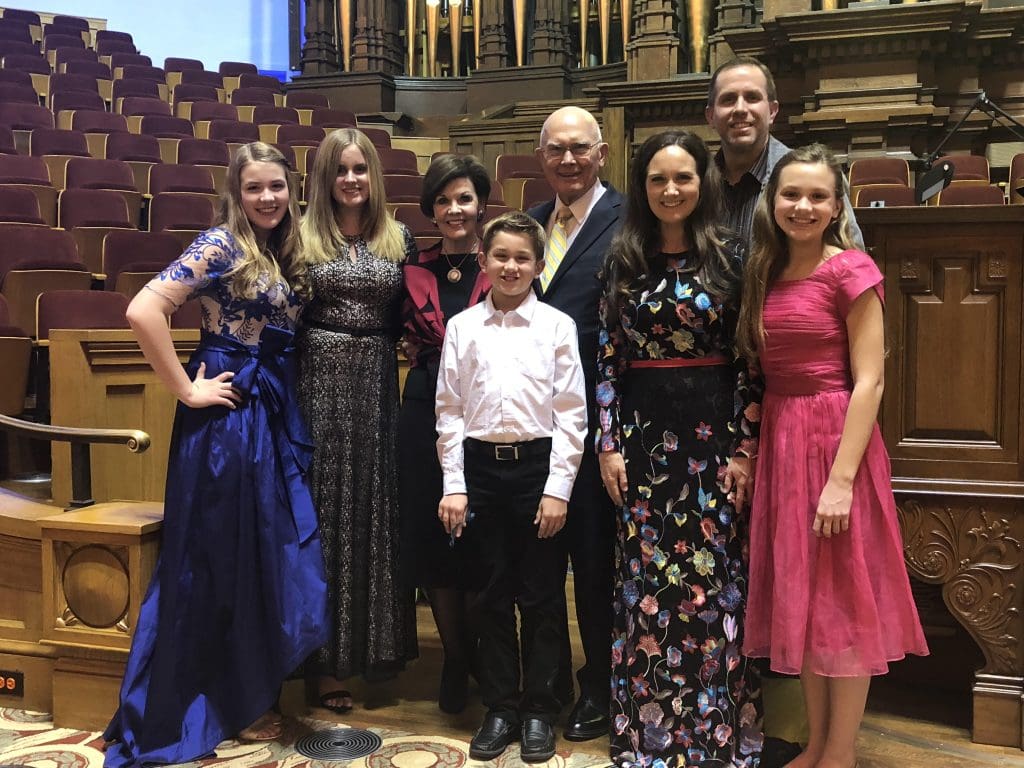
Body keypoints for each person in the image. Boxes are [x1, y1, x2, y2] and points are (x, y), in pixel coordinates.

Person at [104, 142, 328, 767]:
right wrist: (186, 389)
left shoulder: (284, 248)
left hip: (269, 408)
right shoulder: (221, 244)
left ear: (292, 190)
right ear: (236, 192)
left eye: (277, 186)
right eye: (254, 187)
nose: (267, 197)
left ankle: (248, 691)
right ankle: (218, 696)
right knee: (219, 552)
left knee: (260, 548)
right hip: (228, 419)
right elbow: (143, 309)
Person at [737, 143, 928, 768]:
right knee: (805, 600)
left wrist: (842, 481)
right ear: (772, 201)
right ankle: (817, 742)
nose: (803, 206)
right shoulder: (764, 269)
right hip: (783, 441)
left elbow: (870, 380)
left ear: (838, 205)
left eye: (818, 196)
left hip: (835, 442)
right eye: (791, 194)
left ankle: (841, 752)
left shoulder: (851, 270)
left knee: (842, 602)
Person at [596, 130, 764, 767]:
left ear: (704, 182)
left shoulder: (733, 257)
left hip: (713, 444)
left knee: (715, 586)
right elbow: (608, 357)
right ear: (642, 188)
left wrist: (745, 449)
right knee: (648, 589)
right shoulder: (624, 258)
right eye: (657, 179)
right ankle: (649, 737)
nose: (670, 190)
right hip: (642, 448)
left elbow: (750, 361)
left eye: (683, 177)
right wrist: (607, 444)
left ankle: (717, 736)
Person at [435, 211, 587, 763]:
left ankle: (540, 708)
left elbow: (572, 413)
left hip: (537, 468)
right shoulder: (463, 328)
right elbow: (449, 410)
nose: (511, 266)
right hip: (480, 469)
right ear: (483, 261)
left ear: (539, 265)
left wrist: (558, 489)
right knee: (491, 593)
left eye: (523, 257)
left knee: (542, 594)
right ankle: (500, 706)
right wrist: (454, 484)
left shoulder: (557, 326)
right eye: (501, 255)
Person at [297, 127, 418, 713]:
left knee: (373, 509)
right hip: (316, 382)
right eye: (340, 170)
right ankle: (322, 665)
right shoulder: (299, 238)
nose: (350, 179)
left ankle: (372, 648)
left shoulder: (399, 238)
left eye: (360, 168)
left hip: (376, 384)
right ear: (324, 178)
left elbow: (414, 312)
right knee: (325, 512)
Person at [526, 105, 624, 742]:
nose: (568, 159)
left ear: (601, 154)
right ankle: (547, 682)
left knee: (593, 562)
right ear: (541, 157)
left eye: (579, 148)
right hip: (532, 421)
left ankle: (601, 686)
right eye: (556, 149)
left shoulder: (629, 219)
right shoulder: (531, 223)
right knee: (539, 563)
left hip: (599, 417)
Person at [399, 153, 492, 714]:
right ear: (431, 209)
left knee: (481, 534)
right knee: (435, 535)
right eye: (443, 200)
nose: (454, 209)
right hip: (422, 408)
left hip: (487, 407)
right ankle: (456, 658)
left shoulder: (503, 260)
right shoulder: (412, 268)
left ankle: (479, 649)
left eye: (464, 199)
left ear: (481, 205)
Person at [705, 55, 863, 249]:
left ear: (772, 111)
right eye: (728, 99)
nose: (740, 109)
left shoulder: (816, 176)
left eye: (752, 98)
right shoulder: (697, 182)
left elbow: (852, 257)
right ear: (711, 116)